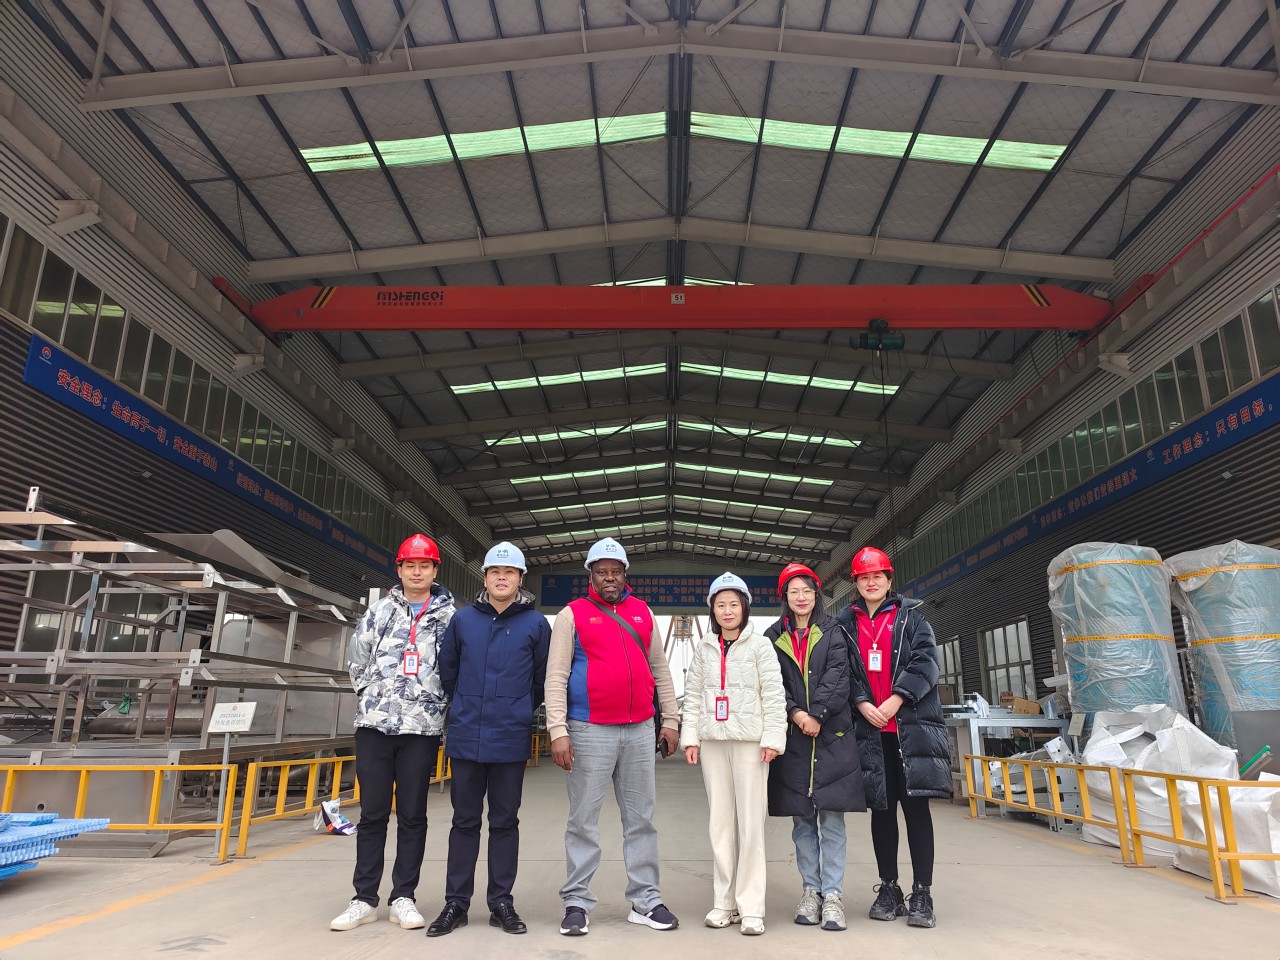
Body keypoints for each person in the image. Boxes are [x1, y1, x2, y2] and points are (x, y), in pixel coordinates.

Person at [544, 537, 681, 936]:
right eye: (601, 571)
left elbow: (660, 669)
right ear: (590, 575)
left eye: (615, 571)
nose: (609, 578)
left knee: (641, 820)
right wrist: (557, 729)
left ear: (624, 575)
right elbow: (556, 675)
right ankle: (576, 901)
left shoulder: (643, 613)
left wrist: (670, 720)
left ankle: (646, 899)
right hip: (589, 730)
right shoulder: (572, 615)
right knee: (583, 821)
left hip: (639, 730)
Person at [330, 533, 456, 932]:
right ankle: (364, 898)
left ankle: (404, 897)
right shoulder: (379, 611)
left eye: (424, 565)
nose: (417, 572)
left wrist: (435, 704)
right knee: (372, 813)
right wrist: (373, 696)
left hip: (421, 729)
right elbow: (357, 658)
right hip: (374, 726)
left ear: (435, 570)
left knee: (413, 814)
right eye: (410, 565)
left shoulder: (450, 618)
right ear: (399, 569)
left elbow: (457, 668)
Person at [428, 542, 551, 938]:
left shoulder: (536, 625)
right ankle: (456, 903)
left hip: (510, 737)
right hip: (467, 735)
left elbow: (541, 680)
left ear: (520, 578)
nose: (502, 578)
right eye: (495, 572)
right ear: (485, 578)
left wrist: (517, 709)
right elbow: (448, 670)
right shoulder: (463, 620)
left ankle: (501, 902)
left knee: (504, 822)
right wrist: (467, 703)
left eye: (509, 572)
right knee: (464, 821)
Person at [836, 546, 950, 929]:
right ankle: (889, 888)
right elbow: (842, 670)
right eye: (864, 577)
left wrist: (897, 698)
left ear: (889, 580)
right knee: (882, 811)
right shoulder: (844, 625)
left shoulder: (912, 619)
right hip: (870, 732)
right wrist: (861, 702)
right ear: (855, 583)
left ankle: (922, 892)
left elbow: (926, 662)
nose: (871, 582)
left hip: (910, 730)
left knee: (916, 810)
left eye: (878, 576)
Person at [681, 573, 787, 936]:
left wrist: (772, 738)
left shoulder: (760, 646)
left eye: (734, 604)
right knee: (720, 824)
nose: (727, 611)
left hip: (750, 745)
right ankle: (723, 903)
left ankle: (751, 907)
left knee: (751, 825)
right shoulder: (704, 648)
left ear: (745, 607)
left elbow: (773, 694)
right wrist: (691, 738)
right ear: (712, 610)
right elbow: (693, 696)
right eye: (720, 605)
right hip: (713, 743)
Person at [765, 561, 865, 932]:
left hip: (832, 735)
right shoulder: (773, 636)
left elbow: (840, 676)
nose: (801, 597)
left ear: (816, 594)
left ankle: (833, 896)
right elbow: (773, 683)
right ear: (785, 597)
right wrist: (796, 714)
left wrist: (817, 714)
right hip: (795, 741)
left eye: (807, 590)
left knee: (832, 821)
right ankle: (811, 891)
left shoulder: (834, 630)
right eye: (794, 591)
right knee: (802, 822)